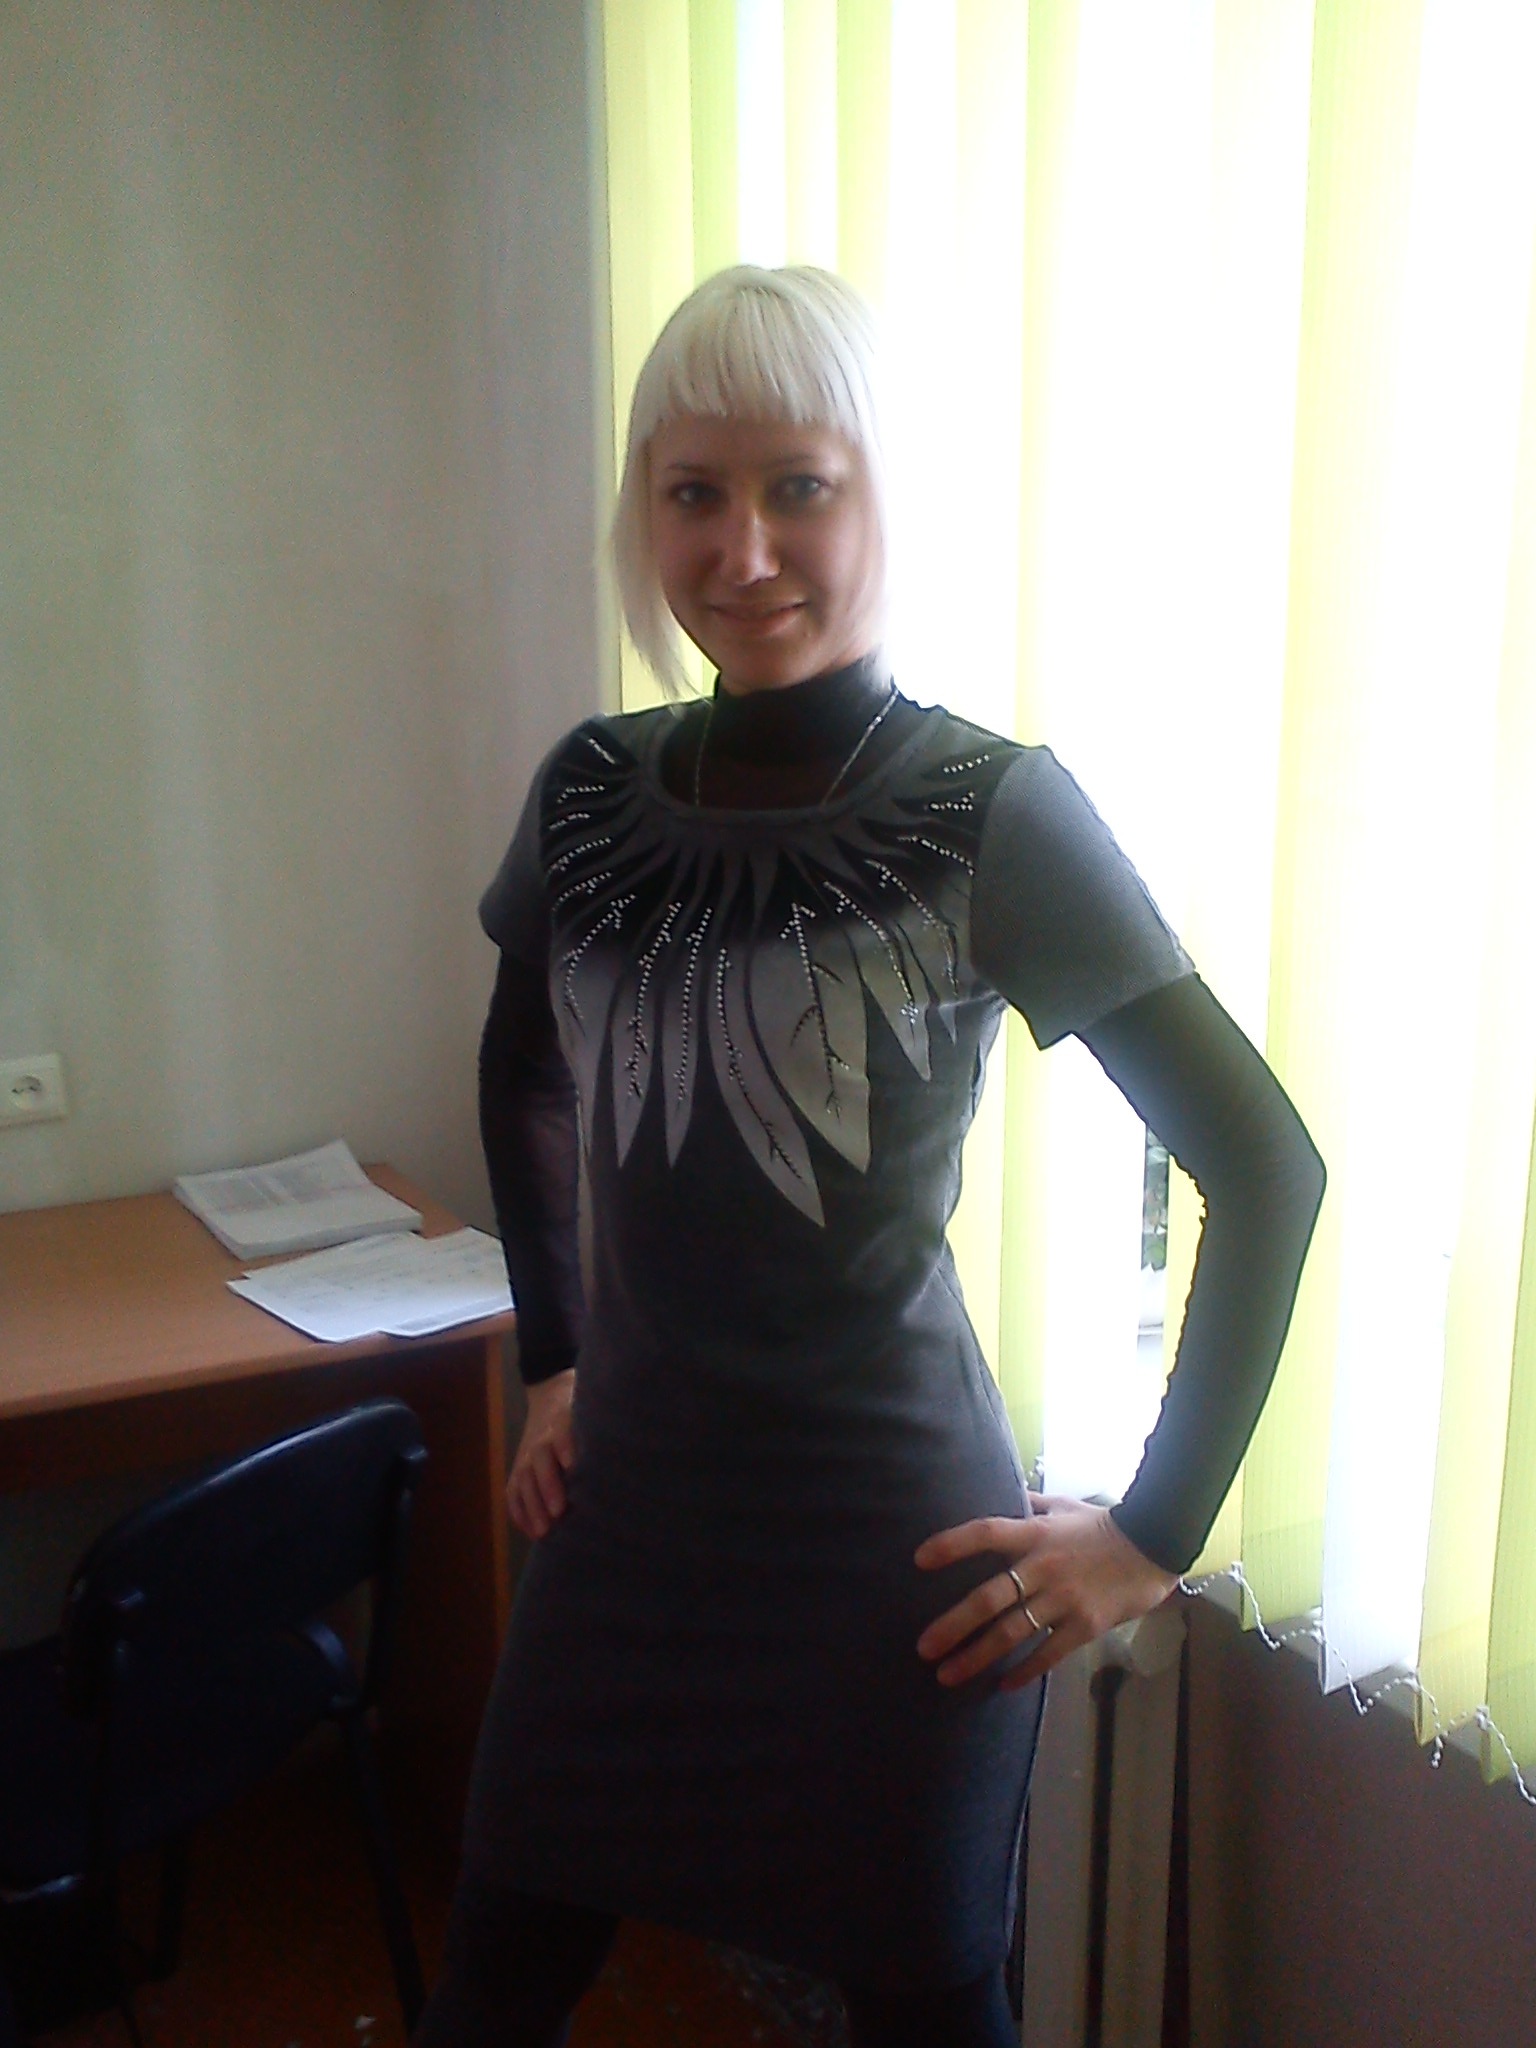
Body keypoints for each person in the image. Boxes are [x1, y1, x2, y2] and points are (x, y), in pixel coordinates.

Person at [415, 265, 1324, 2048]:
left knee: (927, 2018)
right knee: (491, 1994)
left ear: (879, 495)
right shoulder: (589, 793)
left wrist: (1152, 1534)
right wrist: (560, 1361)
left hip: (885, 1578)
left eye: (799, 488)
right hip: (622, 1547)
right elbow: (525, 1074)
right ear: (646, 508)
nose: (743, 548)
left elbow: (1265, 1164)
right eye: (695, 491)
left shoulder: (988, 811)